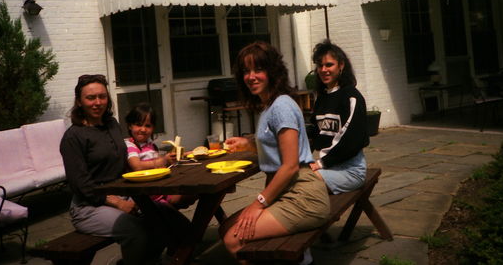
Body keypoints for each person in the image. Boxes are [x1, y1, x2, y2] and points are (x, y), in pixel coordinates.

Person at [221, 41, 330, 265]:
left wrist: (258, 203)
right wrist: (248, 143)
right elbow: (277, 145)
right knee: (226, 226)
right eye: (246, 71)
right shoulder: (270, 105)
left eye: (258, 69)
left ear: (272, 71)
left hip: (303, 197)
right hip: (286, 191)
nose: (251, 76)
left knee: (233, 239)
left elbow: (290, 165)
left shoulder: (281, 106)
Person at [59, 74, 172, 265]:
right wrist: (118, 203)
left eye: (102, 96)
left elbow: (124, 163)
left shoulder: (112, 124)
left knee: (164, 220)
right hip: (89, 206)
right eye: (90, 97)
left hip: (124, 194)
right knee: (136, 231)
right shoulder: (73, 137)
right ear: (79, 102)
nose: (97, 102)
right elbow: (81, 186)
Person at [307, 40, 369, 194]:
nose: (323, 69)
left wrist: (322, 163)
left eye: (329, 65)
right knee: (287, 177)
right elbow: (316, 133)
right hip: (328, 167)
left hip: (350, 171)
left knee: (302, 184)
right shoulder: (321, 98)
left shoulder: (352, 97)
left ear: (341, 65)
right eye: (320, 65)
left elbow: (354, 140)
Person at [124, 102, 195, 208]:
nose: (143, 129)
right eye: (138, 124)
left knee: (195, 190)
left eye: (148, 126)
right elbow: (137, 166)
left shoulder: (149, 144)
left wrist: (182, 155)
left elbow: (160, 163)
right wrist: (162, 160)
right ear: (130, 125)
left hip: (162, 190)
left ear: (153, 128)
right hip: (147, 197)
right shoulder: (130, 145)